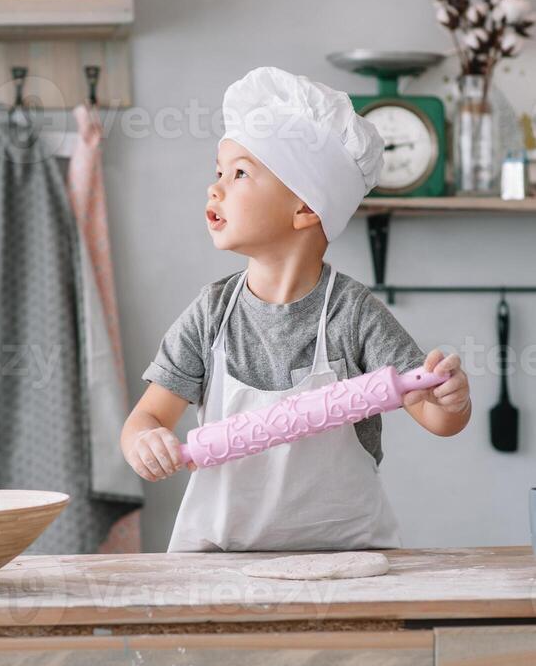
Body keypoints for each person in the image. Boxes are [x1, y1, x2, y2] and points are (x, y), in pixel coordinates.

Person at [121, 66, 471, 552]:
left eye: (240, 173)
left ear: (305, 208)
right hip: (221, 564)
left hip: (349, 564)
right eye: (218, 172)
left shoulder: (352, 314)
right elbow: (146, 419)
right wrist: (145, 443)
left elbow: (434, 416)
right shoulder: (211, 314)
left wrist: (452, 400)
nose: (215, 187)